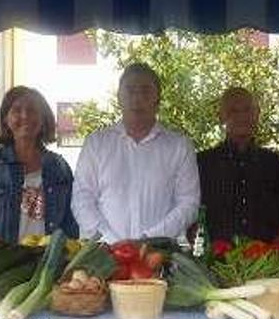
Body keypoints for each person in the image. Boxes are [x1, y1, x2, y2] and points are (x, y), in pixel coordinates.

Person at [72, 63, 200, 242]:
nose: (138, 98)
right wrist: (110, 240)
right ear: (119, 98)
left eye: (146, 90)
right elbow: (81, 198)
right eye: (130, 90)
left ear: (158, 98)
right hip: (102, 255)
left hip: (160, 255)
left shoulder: (179, 146)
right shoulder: (96, 144)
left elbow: (189, 203)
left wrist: (150, 239)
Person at [0, 86, 78, 242]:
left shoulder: (59, 167)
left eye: (32, 110)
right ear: (6, 118)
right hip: (2, 261)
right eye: (16, 110)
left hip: (46, 260)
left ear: (43, 119)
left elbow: (69, 223)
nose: (25, 116)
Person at [197, 87, 279, 243]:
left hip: (267, 261)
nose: (241, 116)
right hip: (214, 263)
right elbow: (191, 219)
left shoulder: (276, 164)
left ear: (257, 114)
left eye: (247, 109)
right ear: (220, 117)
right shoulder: (202, 164)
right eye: (233, 110)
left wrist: (273, 257)